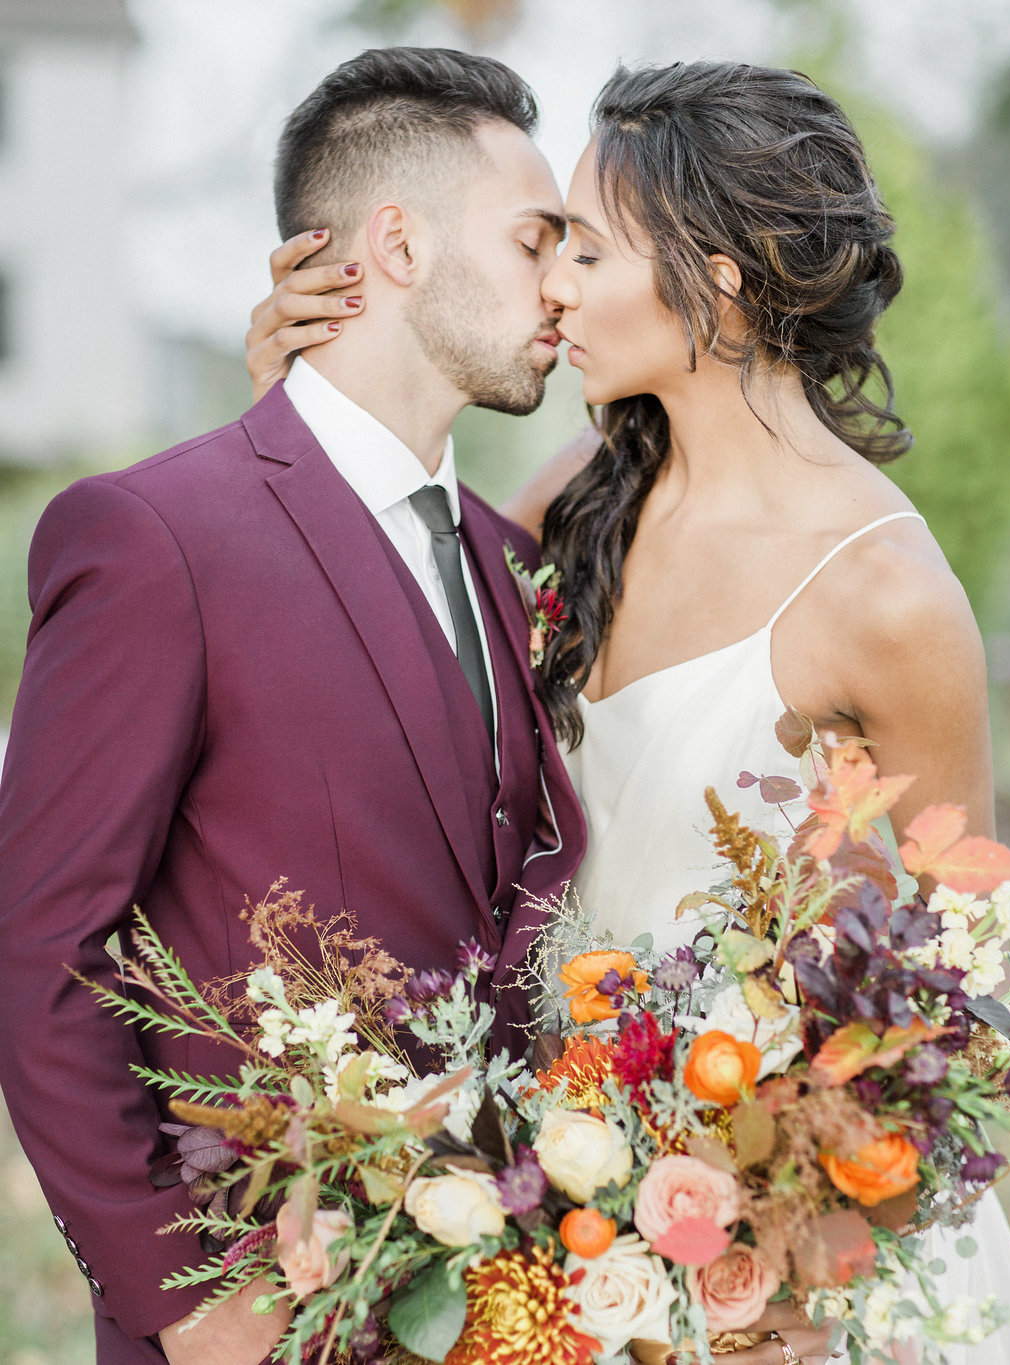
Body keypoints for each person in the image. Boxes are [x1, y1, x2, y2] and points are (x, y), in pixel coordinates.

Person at [245, 58, 1010, 1365]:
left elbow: (969, 1001)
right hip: (575, 1231)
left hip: (801, 1277)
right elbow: (342, 672)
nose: (551, 285)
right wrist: (295, 422)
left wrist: (801, 1232)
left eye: (587, 251)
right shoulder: (572, 498)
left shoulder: (890, 598)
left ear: (719, 269)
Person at [0, 47, 586, 1365]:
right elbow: (43, 958)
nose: (563, 280)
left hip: (507, 1311)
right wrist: (191, 1304)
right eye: (537, 235)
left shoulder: (510, 562)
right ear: (398, 242)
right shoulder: (154, 538)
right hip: (258, 1314)